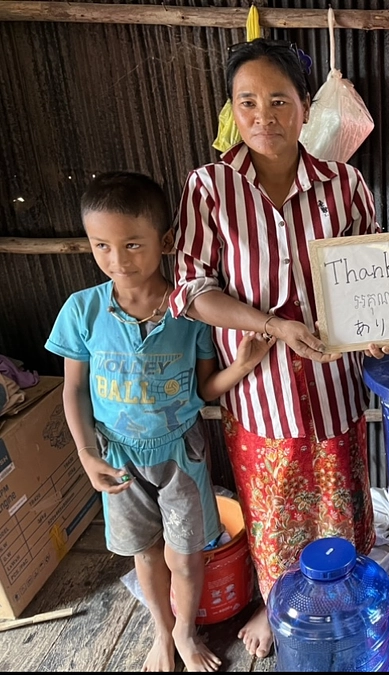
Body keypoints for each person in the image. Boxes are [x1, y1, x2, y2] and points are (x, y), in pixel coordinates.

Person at [170, 38, 389, 659]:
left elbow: (373, 276)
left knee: (337, 513)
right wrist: (271, 325)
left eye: (279, 100)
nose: (264, 116)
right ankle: (280, 609)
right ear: (231, 111)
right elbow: (191, 288)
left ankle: (344, 614)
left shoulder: (344, 184)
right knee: (273, 521)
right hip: (260, 394)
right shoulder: (210, 188)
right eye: (248, 103)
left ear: (304, 107)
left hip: (333, 389)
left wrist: (378, 329)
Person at [45, 171, 272, 672]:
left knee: (186, 556)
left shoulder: (190, 314)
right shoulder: (83, 311)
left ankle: (188, 635)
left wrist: (241, 366)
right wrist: (87, 455)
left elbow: (202, 390)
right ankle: (162, 634)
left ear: (165, 242)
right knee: (145, 554)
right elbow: (75, 390)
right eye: (101, 246)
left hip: (180, 452)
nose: (117, 260)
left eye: (132, 244)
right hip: (117, 457)